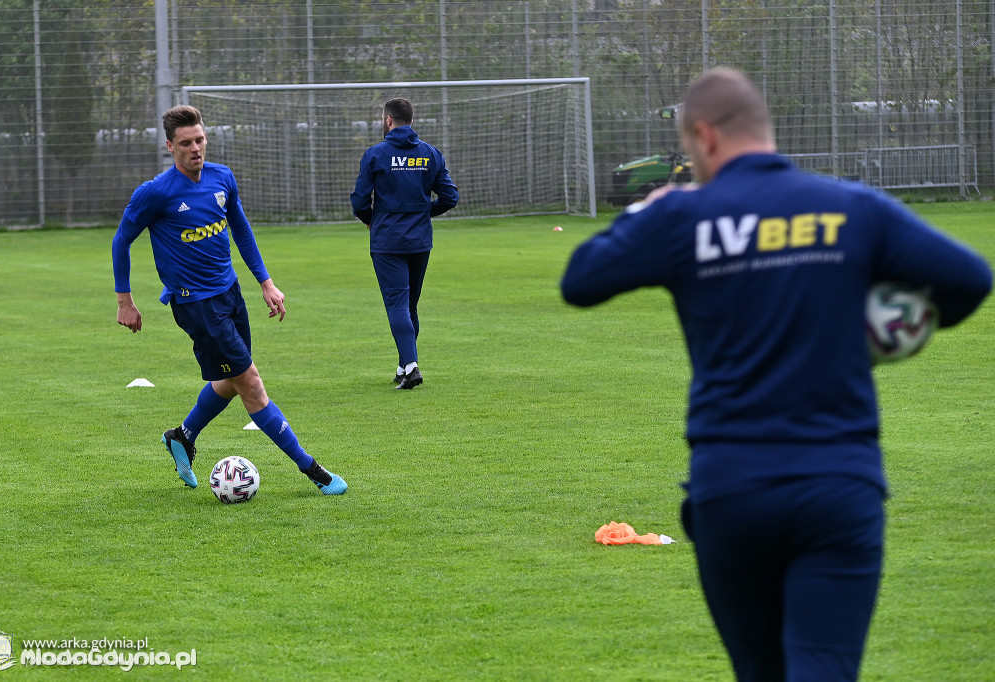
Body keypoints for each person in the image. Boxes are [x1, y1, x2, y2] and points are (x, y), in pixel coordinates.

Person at [561, 68, 991, 681]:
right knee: (824, 669)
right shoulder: (852, 206)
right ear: (764, 131)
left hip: (732, 488)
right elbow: (970, 279)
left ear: (704, 136)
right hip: (837, 483)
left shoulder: (685, 217)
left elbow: (581, 281)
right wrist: (888, 335)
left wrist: (652, 208)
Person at [113, 105, 347, 495]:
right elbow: (122, 239)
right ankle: (314, 472)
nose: (195, 149)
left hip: (230, 293)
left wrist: (266, 283)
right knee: (251, 384)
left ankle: (182, 436)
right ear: (169, 146)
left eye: (200, 140)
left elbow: (240, 228)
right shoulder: (155, 193)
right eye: (185, 143)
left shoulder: (223, 178)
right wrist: (125, 299)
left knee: (231, 379)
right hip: (196, 305)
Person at [350, 97, 459, 389]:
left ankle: (412, 367)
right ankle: (402, 366)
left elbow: (360, 200)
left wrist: (370, 219)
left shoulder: (374, 155)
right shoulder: (430, 154)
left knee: (397, 305)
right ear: (411, 120)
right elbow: (450, 197)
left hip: (387, 241)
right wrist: (424, 212)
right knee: (410, 306)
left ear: (388, 120)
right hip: (420, 241)